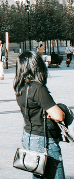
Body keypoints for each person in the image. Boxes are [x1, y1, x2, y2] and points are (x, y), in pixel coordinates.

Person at [16, 50, 67, 179]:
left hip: (29, 136)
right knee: (56, 175)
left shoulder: (20, 86)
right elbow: (59, 116)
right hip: (44, 140)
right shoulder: (38, 88)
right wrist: (62, 109)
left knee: (39, 172)